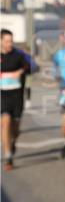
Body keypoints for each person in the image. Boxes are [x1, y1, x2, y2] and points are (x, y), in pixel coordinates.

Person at [1, 29, 29, 171]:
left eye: (11, 41)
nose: (9, 44)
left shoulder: (19, 55)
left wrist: (20, 72)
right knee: (5, 122)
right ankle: (8, 157)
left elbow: (30, 67)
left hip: (17, 96)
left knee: (15, 129)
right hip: (2, 96)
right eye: (6, 41)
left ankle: (12, 142)